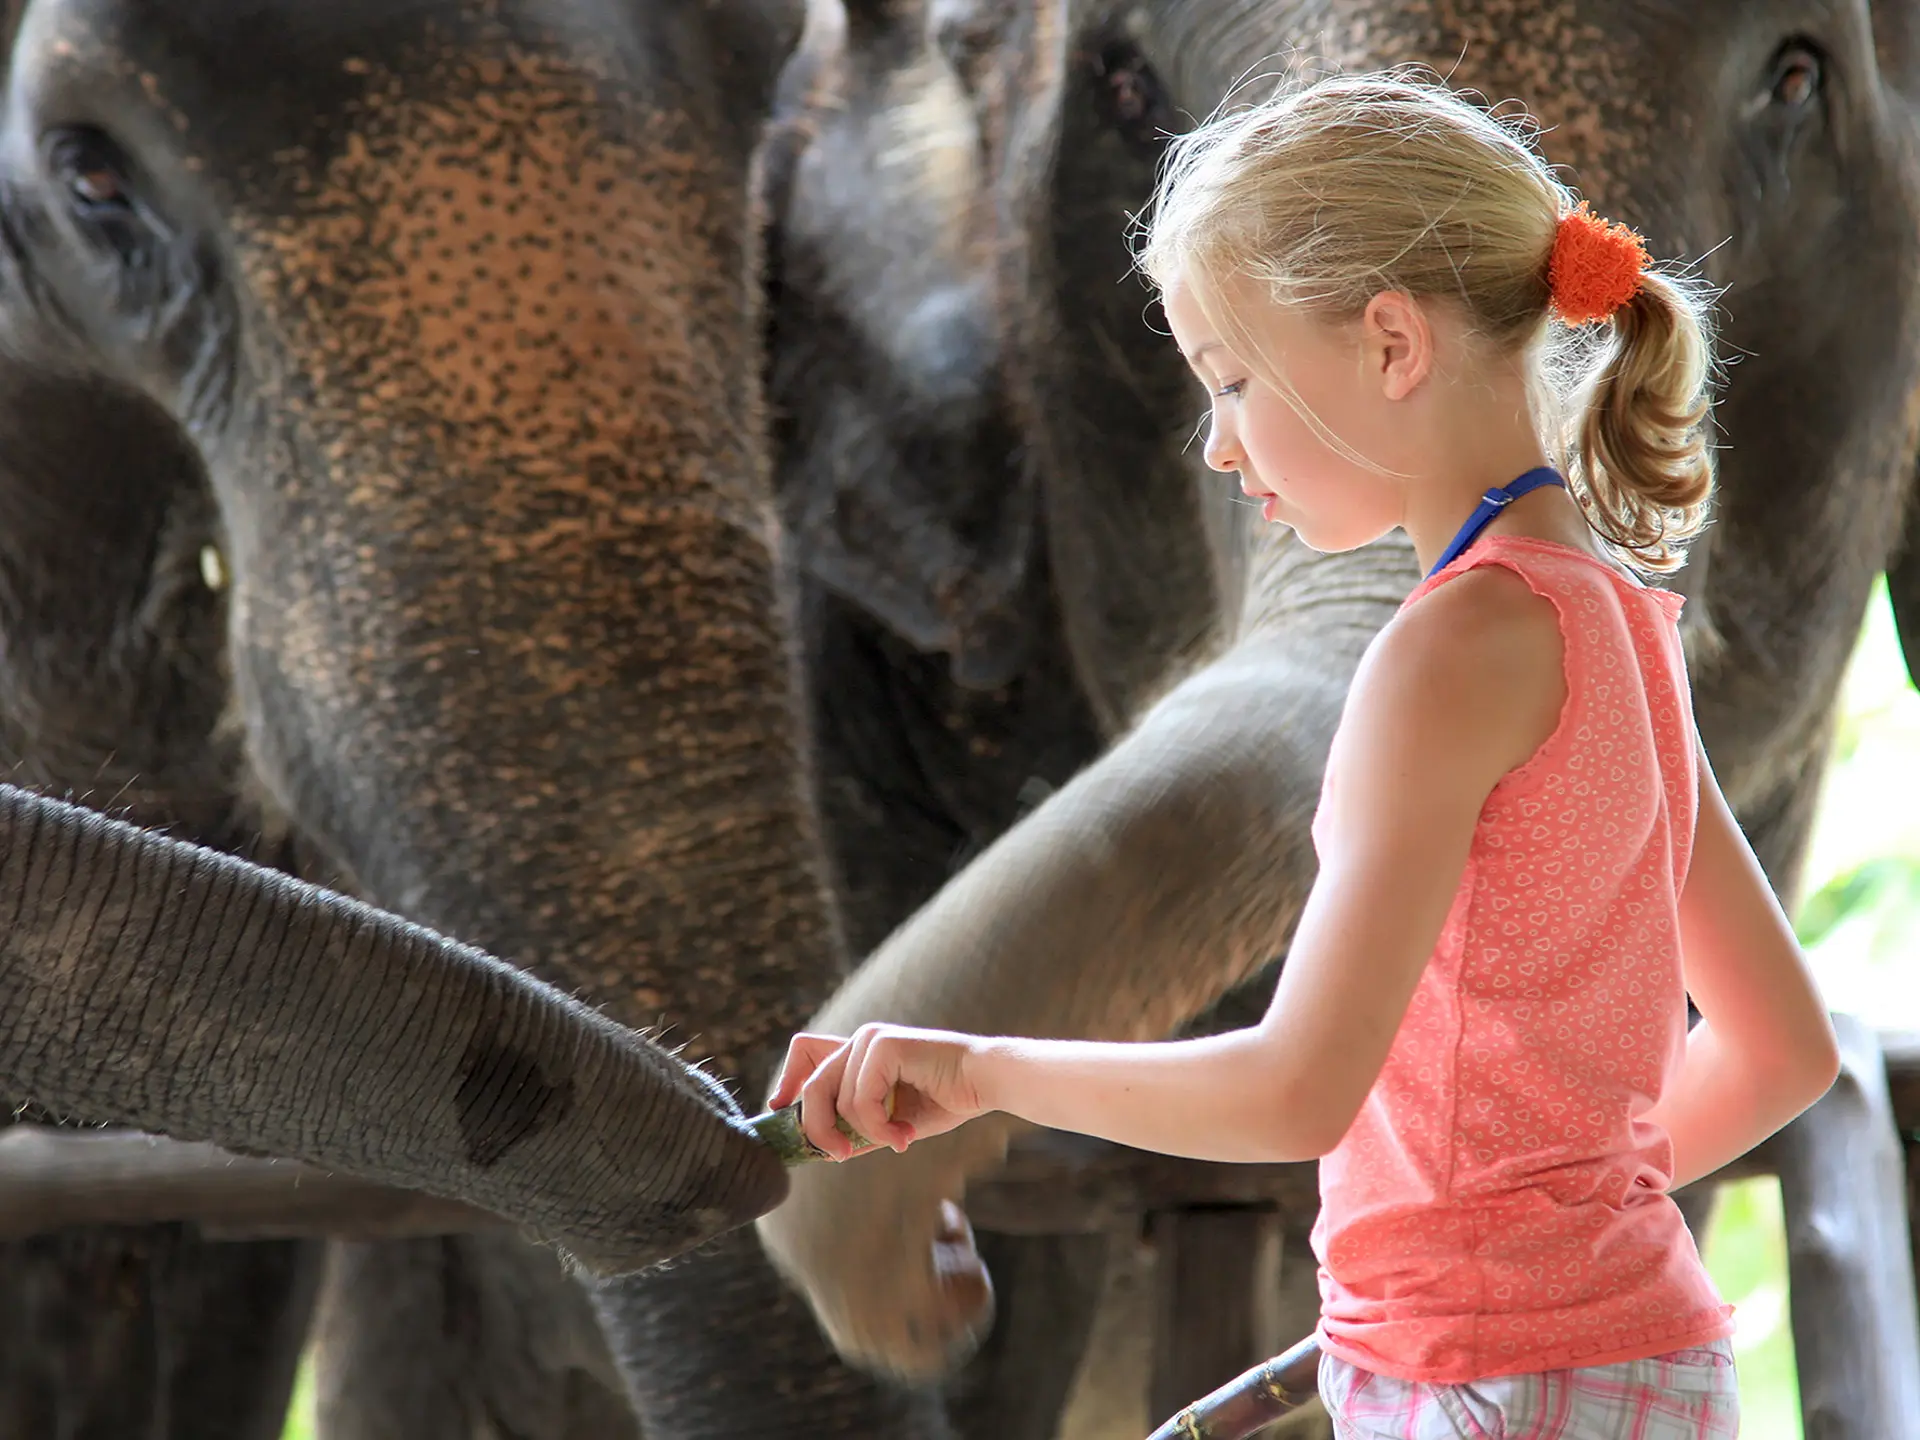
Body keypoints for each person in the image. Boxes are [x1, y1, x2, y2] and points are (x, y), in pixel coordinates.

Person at [766, 70, 1841, 1438]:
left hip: (1496, 1390)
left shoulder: (1447, 651)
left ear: (1391, 344)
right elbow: (1780, 1048)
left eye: (1231, 379)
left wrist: (977, 1073)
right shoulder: (1619, 620)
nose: (1218, 443)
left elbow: (1297, 1088)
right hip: (1634, 1365)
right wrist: (1527, 1239)